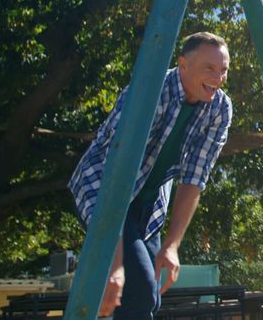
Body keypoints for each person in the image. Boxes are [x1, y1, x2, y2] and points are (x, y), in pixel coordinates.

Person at [69, 32, 232, 318]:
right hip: (102, 188)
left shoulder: (219, 108)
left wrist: (171, 245)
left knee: (149, 299)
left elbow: (195, 177)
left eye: (223, 69)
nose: (218, 78)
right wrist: (114, 261)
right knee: (137, 289)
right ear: (183, 64)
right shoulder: (150, 91)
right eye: (209, 68)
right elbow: (114, 171)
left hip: (149, 204)